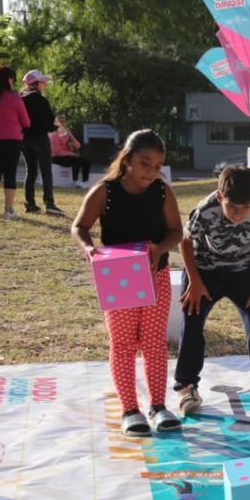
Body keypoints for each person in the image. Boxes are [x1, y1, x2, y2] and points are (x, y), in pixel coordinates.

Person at [72, 129, 183, 436]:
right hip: (118, 277)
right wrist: (89, 248)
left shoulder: (162, 191)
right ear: (127, 159)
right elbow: (79, 226)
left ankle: (158, 406)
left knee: (153, 342)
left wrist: (159, 249)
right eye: (144, 163)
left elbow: (176, 231)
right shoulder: (105, 191)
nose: (151, 171)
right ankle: (129, 409)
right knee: (122, 344)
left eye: (157, 165)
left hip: (155, 276)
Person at [174, 166, 250, 417]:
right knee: (192, 322)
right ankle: (187, 386)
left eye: (245, 207)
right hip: (205, 270)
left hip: (246, 270)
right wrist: (195, 282)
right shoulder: (205, 210)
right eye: (232, 207)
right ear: (221, 198)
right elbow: (185, 242)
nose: (238, 214)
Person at [20, 69, 65, 216]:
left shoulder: (20, 97)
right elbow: (49, 123)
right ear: (36, 83)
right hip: (40, 138)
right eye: (43, 82)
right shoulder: (40, 99)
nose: (45, 84)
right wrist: (56, 125)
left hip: (24, 139)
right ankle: (49, 204)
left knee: (30, 171)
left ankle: (30, 204)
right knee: (46, 172)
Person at [0, 65, 30, 220]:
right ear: (10, 79)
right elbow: (26, 122)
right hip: (12, 141)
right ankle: (9, 209)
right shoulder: (15, 98)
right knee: (10, 174)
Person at [49, 114, 91, 187]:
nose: (62, 123)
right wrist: (71, 154)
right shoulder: (54, 135)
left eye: (64, 122)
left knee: (86, 161)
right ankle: (75, 181)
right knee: (75, 161)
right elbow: (57, 151)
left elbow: (78, 145)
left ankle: (85, 182)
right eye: (60, 122)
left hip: (67, 156)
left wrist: (71, 139)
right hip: (56, 157)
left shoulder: (67, 133)